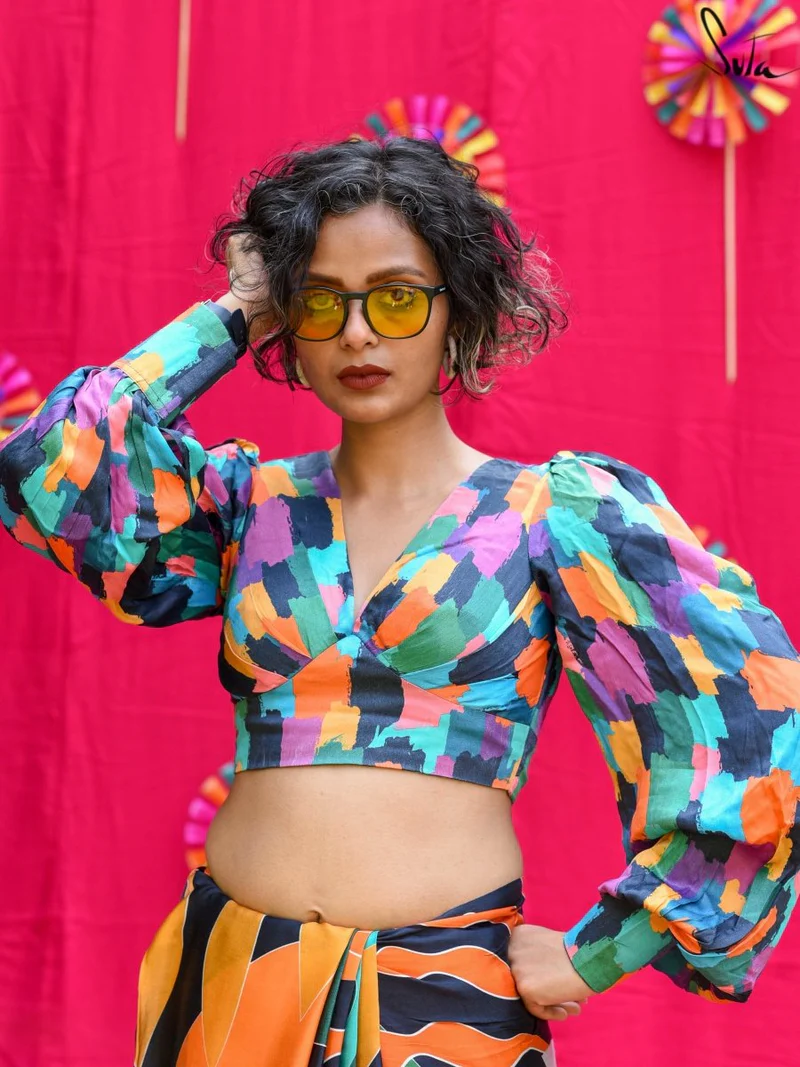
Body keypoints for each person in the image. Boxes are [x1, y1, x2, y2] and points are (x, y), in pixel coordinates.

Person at [1, 136, 799, 1067]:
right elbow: (50, 470)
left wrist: (602, 950)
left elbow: (756, 715)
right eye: (319, 300)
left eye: (395, 297)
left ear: (458, 308)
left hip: (445, 996)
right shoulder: (246, 505)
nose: (357, 333)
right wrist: (237, 307)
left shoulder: (553, 514)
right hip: (231, 983)